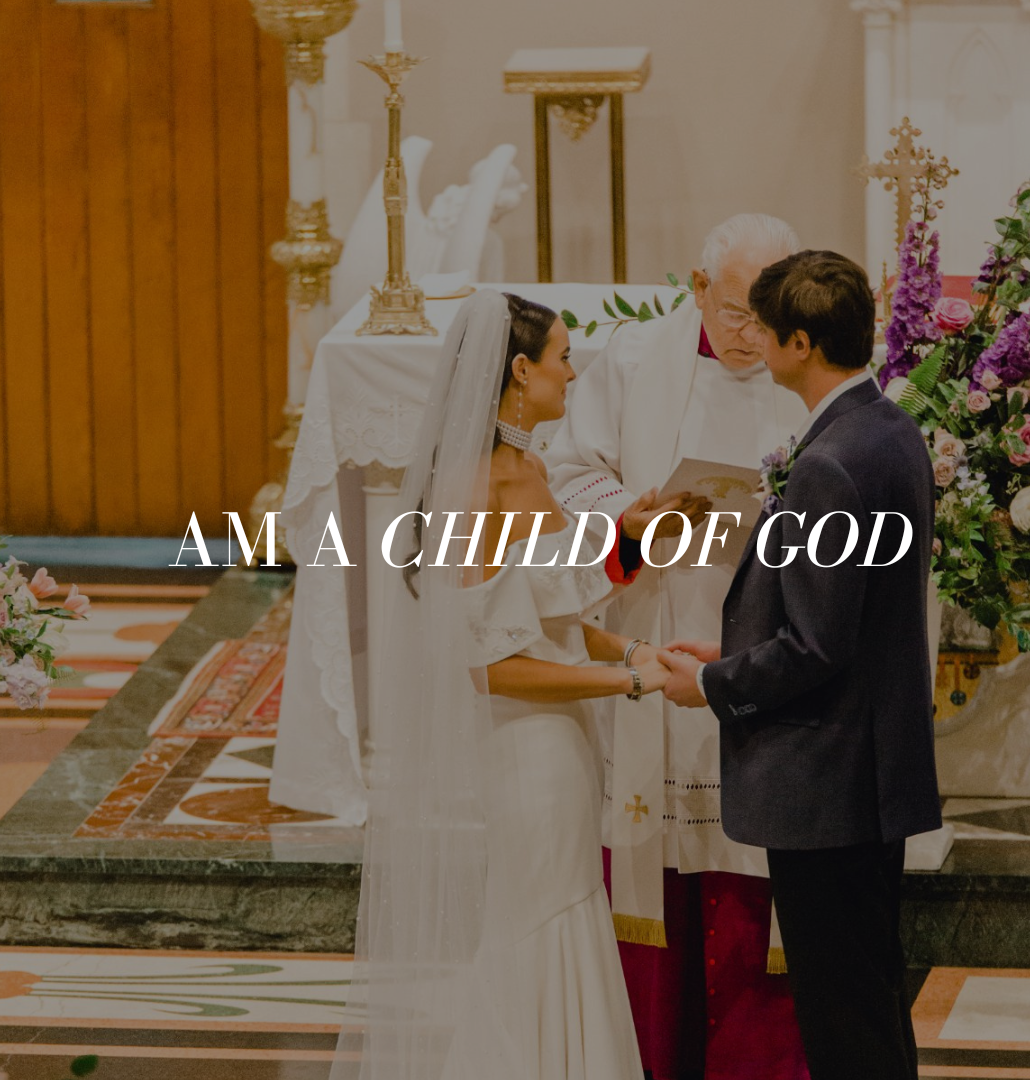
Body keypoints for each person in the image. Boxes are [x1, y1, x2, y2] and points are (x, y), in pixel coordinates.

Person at [333, 289, 673, 1080]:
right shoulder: (480, 486)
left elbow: (547, 614)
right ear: (521, 371)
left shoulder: (531, 466)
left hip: (565, 744)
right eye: (562, 358)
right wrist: (619, 682)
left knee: (566, 912)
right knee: (535, 925)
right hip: (527, 751)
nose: (574, 373)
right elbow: (490, 666)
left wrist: (629, 645)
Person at [659, 250, 941, 1080]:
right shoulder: (888, 429)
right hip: (870, 766)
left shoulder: (826, 464)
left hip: (825, 775)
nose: (752, 340)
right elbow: (849, 614)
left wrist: (712, 683)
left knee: (842, 1010)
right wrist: (740, 647)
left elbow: (818, 646)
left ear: (803, 344)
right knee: (870, 992)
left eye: (765, 327)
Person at [545, 214, 809, 1080]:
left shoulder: (804, 365)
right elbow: (569, 472)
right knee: (656, 856)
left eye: (767, 312)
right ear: (696, 289)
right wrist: (629, 516)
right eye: (736, 311)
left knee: (750, 863)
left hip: (765, 638)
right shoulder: (628, 363)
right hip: (656, 627)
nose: (751, 333)